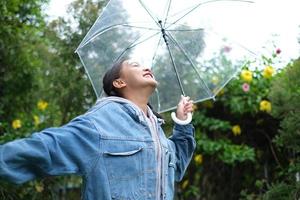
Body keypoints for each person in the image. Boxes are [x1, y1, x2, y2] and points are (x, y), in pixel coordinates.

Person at [0, 58, 196, 200]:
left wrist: (182, 121)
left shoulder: (156, 129)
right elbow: (49, 147)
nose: (147, 67)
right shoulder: (101, 122)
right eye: (135, 65)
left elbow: (177, 166)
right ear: (119, 82)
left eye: (145, 64)